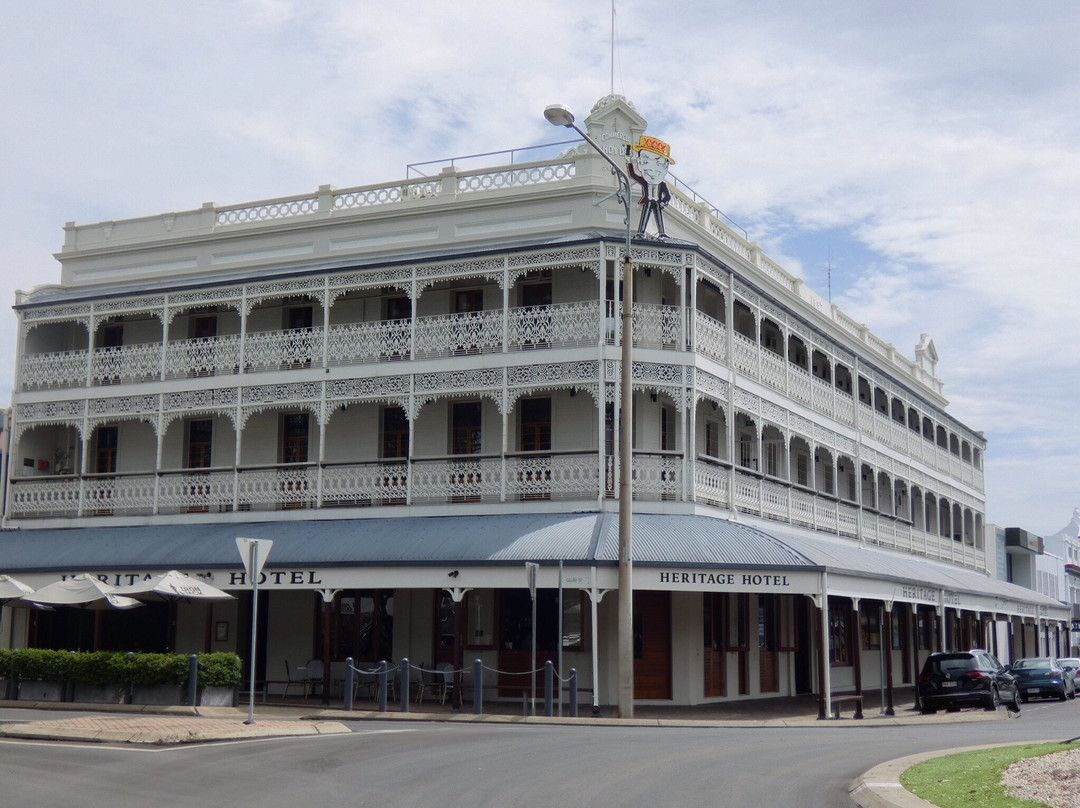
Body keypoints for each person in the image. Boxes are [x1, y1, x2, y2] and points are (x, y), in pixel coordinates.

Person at [625, 134, 675, 239]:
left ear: (665, 168)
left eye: (657, 164)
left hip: (657, 202)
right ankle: (641, 232)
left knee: (659, 216)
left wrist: (663, 202)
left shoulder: (662, 184)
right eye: (646, 162)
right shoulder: (645, 181)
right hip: (648, 201)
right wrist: (628, 161)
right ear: (640, 163)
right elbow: (633, 175)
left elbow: (668, 196)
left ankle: (662, 232)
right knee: (645, 215)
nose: (652, 171)